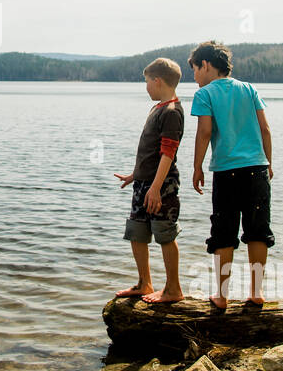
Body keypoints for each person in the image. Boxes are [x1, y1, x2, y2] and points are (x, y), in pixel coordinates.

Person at [188, 41, 273, 310]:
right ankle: (256, 292)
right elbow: (265, 129)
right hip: (257, 169)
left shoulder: (205, 94)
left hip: (227, 172)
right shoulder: (249, 89)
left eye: (194, 70)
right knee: (258, 230)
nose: (194, 77)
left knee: (224, 232)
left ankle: (222, 296)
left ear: (205, 65)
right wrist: (268, 162)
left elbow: (203, 133)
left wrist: (197, 166)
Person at [112, 57, 185, 304]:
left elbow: (168, 153)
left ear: (157, 80)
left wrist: (155, 188)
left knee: (165, 233)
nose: (146, 88)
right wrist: (136, 175)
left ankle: (173, 289)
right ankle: (145, 283)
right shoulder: (157, 108)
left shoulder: (172, 112)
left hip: (161, 185)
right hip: (144, 183)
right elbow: (151, 152)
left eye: (147, 82)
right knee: (137, 232)